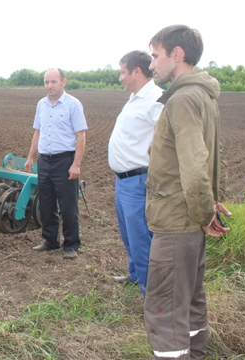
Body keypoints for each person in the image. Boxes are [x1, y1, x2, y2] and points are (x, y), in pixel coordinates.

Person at [144, 25, 232, 359]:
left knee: (165, 309)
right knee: (191, 302)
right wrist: (211, 204)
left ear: (176, 54)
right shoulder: (203, 96)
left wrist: (205, 213)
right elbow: (214, 157)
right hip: (190, 222)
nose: (152, 65)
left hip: (177, 222)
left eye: (156, 56)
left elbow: (196, 166)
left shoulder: (182, 99)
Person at [108, 51, 164, 295]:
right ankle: (134, 274)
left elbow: (166, 138)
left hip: (139, 180)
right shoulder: (134, 98)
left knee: (141, 236)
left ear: (136, 71)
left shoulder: (156, 99)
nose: (120, 78)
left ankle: (149, 291)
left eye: (123, 72)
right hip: (123, 180)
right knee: (128, 233)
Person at [24, 68, 87, 260]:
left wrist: (76, 164)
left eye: (53, 82)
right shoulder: (41, 105)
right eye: (46, 82)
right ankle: (50, 240)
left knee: (68, 206)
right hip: (45, 161)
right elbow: (38, 132)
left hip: (64, 161)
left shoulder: (73, 104)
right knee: (46, 203)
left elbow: (81, 136)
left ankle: (71, 245)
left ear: (63, 82)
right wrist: (30, 157)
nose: (49, 86)